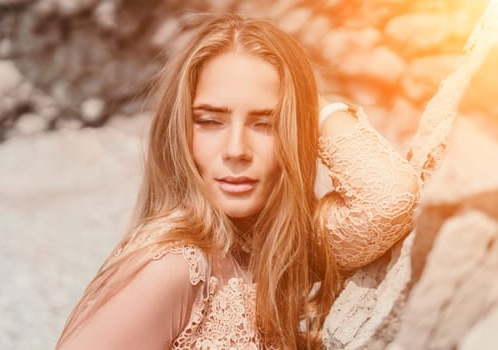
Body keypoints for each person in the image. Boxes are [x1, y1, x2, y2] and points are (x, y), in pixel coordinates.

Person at [56, 13, 419, 349]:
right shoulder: (172, 267)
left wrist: (310, 103)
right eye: (210, 121)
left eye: (265, 123)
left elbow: (390, 199)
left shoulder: (288, 248)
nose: (236, 150)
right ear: (181, 132)